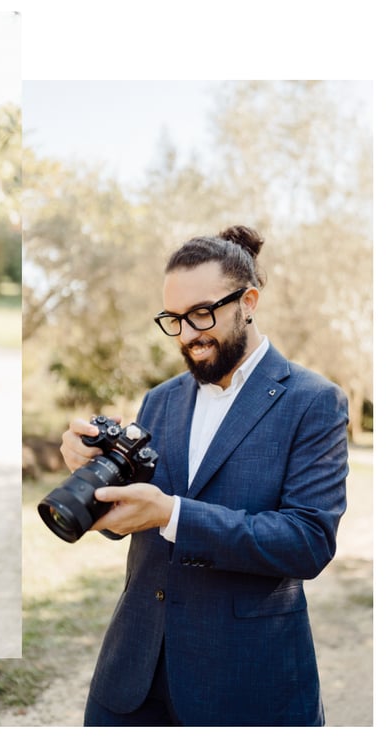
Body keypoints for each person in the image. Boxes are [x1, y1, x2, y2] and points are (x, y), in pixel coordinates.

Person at [60, 225, 348, 726]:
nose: (188, 335)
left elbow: (308, 541)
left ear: (249, 300)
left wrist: (172, 514)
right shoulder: (160, 399)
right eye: (174, 319)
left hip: (247, 681)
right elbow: (130, 518)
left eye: (201, 313)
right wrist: (92, 481)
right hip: (133, 674)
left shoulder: (315, 402)